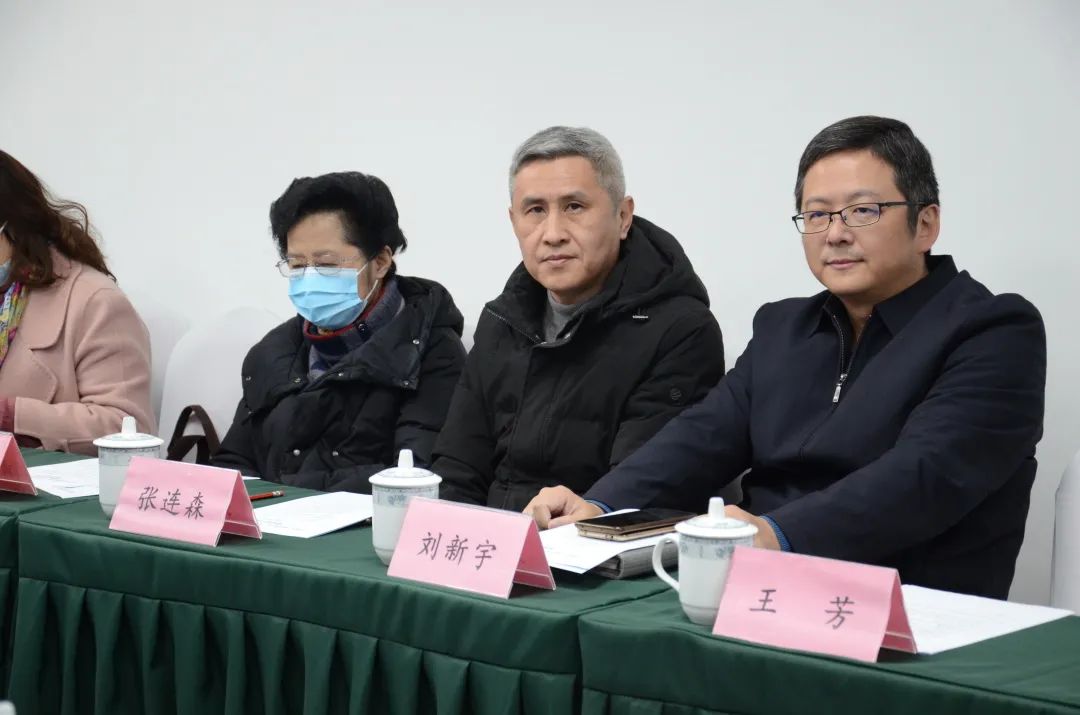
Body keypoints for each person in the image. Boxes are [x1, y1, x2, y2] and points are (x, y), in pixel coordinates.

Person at [524, 116, 1046, 599]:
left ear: (925, 224)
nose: (835, 233)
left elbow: (925, 476)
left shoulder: (993, 331)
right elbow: (701, 437)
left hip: (908, 604)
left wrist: (777, 533)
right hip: (762, 591)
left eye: (863, 211)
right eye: (816, 215)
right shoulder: (784, 328)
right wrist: (601, 506)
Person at [433, 126, 724, 511]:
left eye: (574, 207)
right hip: (494, 540)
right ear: (513, 221)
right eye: (535, 211)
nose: (552, 234)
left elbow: (643, 493)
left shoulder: (680, 332)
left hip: (593, 540)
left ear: (623, 216)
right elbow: (457, 468)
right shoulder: (501, 322)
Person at [212, 172, 466, 491]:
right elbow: (232, 464)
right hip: (270, 517)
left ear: (381, 261)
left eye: (328, 265)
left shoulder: (432, 353)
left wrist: (284, 491)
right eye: (297, 265)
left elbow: (413, 479)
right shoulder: (273, 352)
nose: (310, 279)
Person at [0, 150, 154, 454]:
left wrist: (11, 415)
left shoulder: (95, 301)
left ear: (9, 223)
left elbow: (128, 427)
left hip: (43, 480)